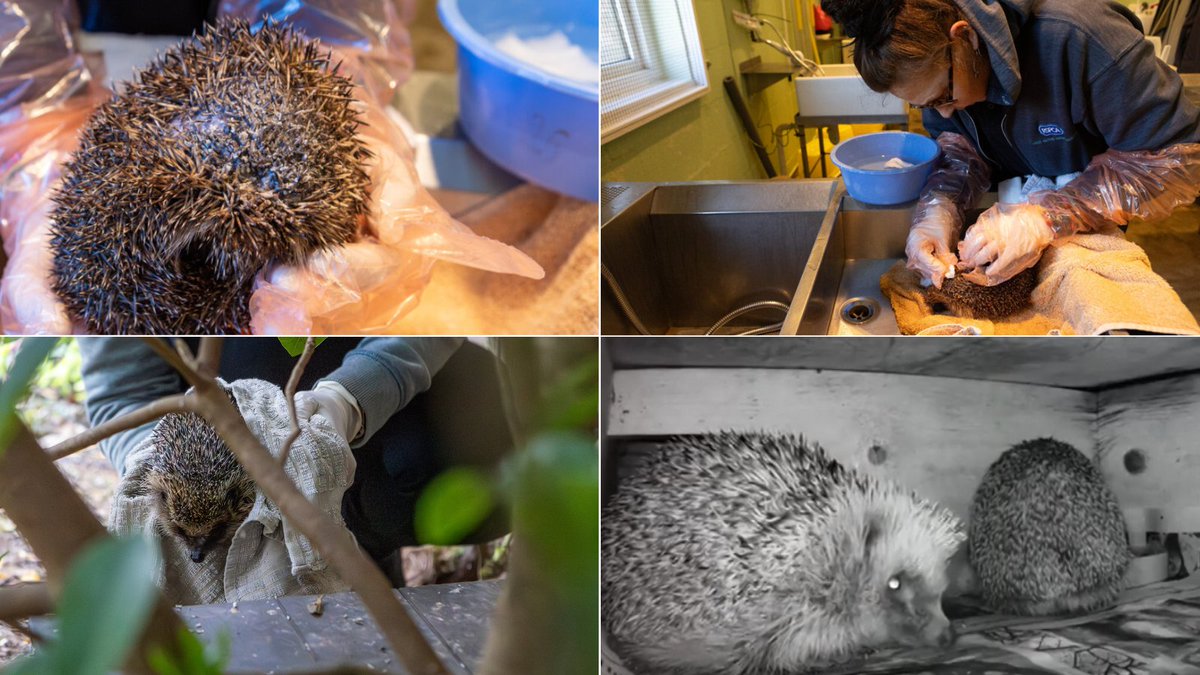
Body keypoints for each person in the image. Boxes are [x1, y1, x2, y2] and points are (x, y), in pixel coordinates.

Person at [823, 0, 1200, 287]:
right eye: (925, 106)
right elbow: (960, 150)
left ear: (966, 38)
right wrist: (938, 209)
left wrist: (1046, 217)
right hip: (1009, 212)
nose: (944, 113)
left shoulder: (1080, 37)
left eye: (943, 98)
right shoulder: (943, 77)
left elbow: (1175, 161)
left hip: (1094, 222)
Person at [79, 338, 513, 586]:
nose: (194, 554)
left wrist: (345, 401)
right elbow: (121, 393)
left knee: (443, 455)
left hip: (352, 376)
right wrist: (148, 451)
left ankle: (368, 559)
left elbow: (435, 312)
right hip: (205, 394)